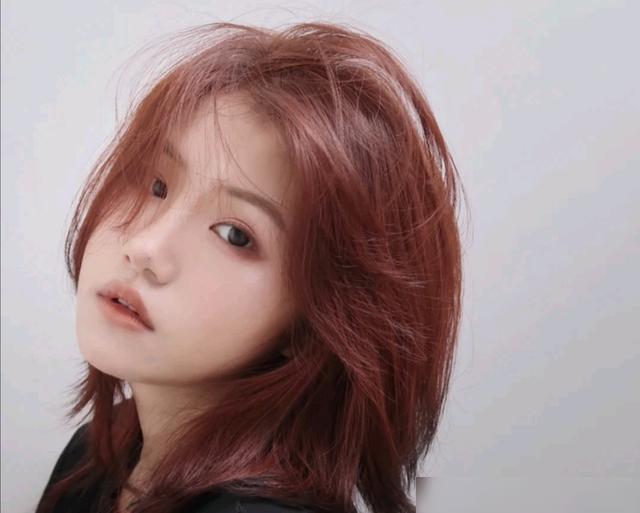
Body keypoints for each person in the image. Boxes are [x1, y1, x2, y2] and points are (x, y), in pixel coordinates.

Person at [35, 20, 465, 513]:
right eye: (156, 185)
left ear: (314, 323)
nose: (145, 247)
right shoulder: (97, 453)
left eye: (235, 235)